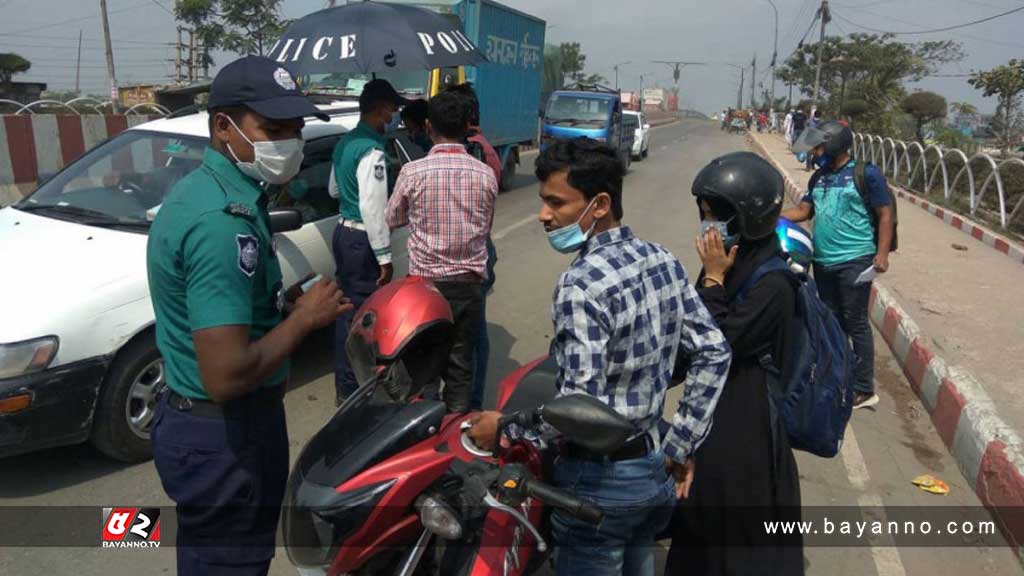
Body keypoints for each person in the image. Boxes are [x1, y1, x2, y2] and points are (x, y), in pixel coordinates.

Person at [468, 138, 732, 576]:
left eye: (556, 202)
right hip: (653, 469)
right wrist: (680, 445)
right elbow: (714, 352)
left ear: (600, 204)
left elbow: (577, 410)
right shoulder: (662, 259)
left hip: (600, 485)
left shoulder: (581, 285)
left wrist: (504, 425)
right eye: (542, 201)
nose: (544, 215)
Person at [146, 56, 351, 575]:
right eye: (273, 129)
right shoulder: (221, 223)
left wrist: (281, 305)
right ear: (223, 127)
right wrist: (305, 319)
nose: (290, 143)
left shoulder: (220, 193)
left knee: (209, 552)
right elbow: (226, 375)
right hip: (225, 436)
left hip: (210, 429)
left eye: (296, 130)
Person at [665, 152, 803, 576]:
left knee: (736, 518)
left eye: (716, 216)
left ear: (749, 217)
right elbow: (687, 335)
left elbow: (718, 343)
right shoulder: (730, 262)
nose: (709, 226)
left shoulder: (775, 282)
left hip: (747, 416)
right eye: (705, 215)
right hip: (714, 407)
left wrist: (711, 279)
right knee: (699, 512)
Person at [386, 90, 498, 413]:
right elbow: (485, 227)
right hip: (468, 286)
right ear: (467, 126)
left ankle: (424, 431)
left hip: (424, 287)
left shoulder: (413, 172)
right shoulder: (485, 174)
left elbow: (392, 218)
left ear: (427, 126)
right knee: (461, 365)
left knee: (423, 364)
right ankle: (456, 432)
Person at [783, 120, 893, 409]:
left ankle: (864, 388)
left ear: (833, 144)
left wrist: (882, 254)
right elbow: (804, 211)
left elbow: (885, 214)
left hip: (855, 259)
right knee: (831, 321)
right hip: (823, 260)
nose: (815, 152)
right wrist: (772, 218)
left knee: (855, 322)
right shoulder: (818, 177)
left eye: (819, 146)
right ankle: (837, 377)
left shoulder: (866, 174)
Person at [329, 79, 407, 405]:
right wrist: (385, 255)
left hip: (344, 233)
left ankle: (346, 385)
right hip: (362, 237)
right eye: (392, 110)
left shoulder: (345, 142)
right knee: (361, 315)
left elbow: (334, 189)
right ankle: (354, 391)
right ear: (379, 110)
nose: (394, 116)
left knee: (347, 309)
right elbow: (373, 208)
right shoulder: (372, 150)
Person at [447, 82, 501, 410]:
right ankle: (472, 403)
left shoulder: (468, 153)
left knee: (465, 334)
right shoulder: (487, 152)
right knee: (473, 332)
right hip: (479, 250)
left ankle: (466, 403)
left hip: (461, 255)